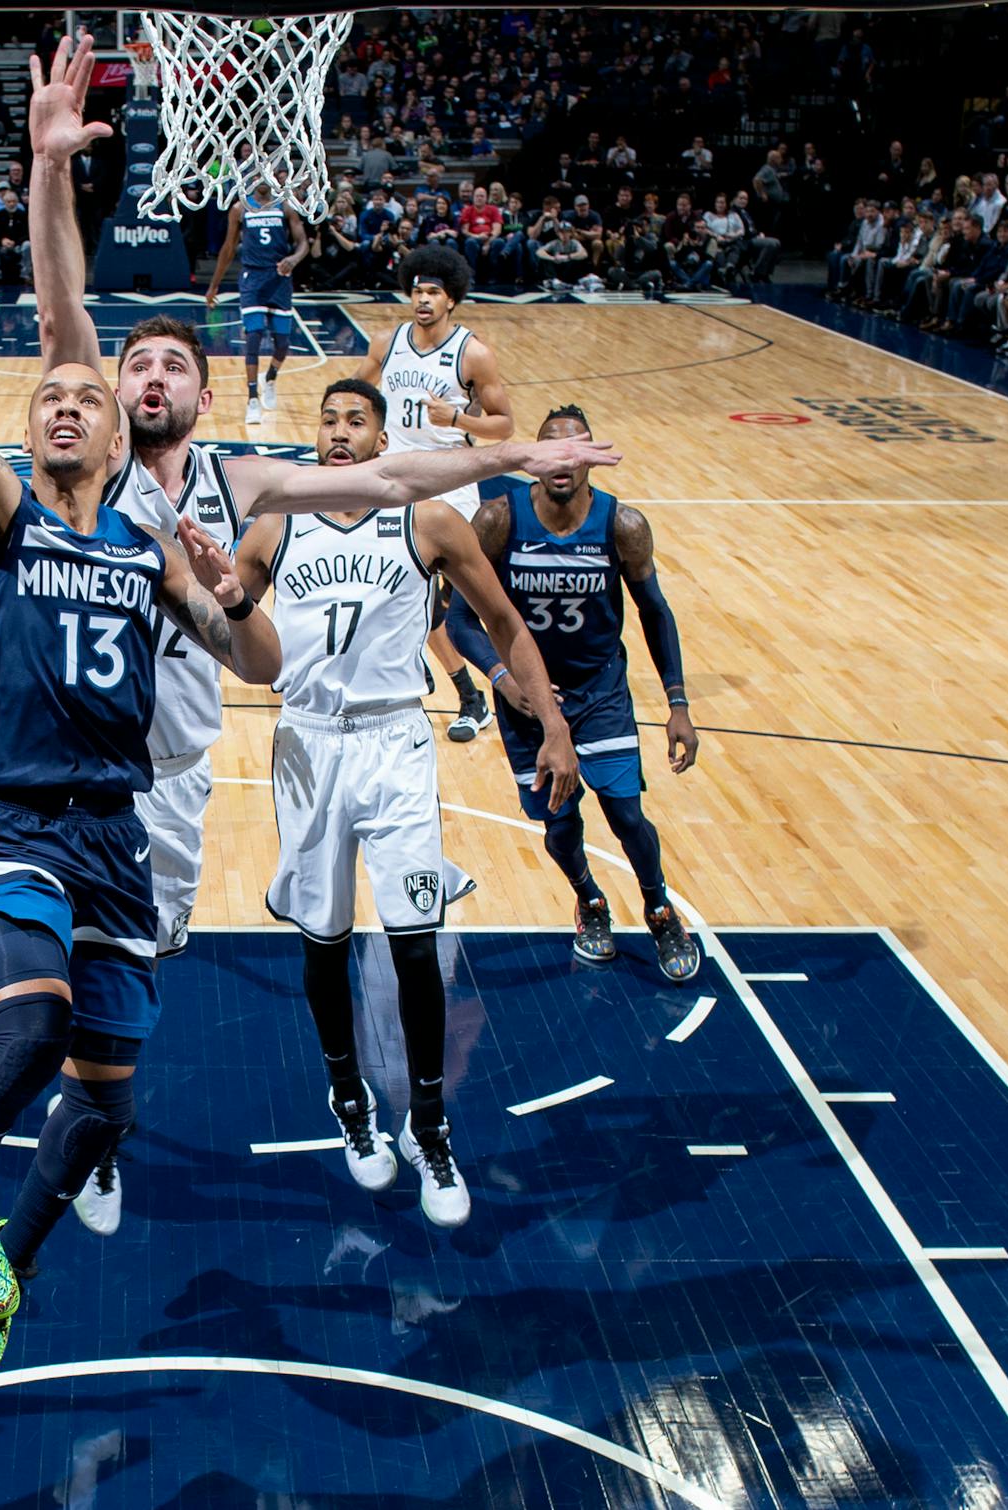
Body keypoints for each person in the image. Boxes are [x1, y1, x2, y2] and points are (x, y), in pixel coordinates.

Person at [0, 73, 610, 1375]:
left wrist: (496, 469)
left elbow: (355, 520)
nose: (141, 373)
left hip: (151, 795)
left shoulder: (227, 490)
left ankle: (36, 1219)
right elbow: (22, 326)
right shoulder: (50, 481)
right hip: (29, 797)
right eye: (128, 360)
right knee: (43, 1018)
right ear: (106, 386)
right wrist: (46, 168)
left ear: (198, 399)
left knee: (108, 1082)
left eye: (170, 363)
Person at [235, 377, 581, 1227]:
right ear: (314, 440)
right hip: (309, 743)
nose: (340, 432)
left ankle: (429, 1125)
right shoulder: (275, 521)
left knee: (414, 942)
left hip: (395, 741)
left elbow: (501, 621)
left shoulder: (426, 520)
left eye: (357, 421)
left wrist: (553, 725)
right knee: (325, 937)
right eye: (328, 421)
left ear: (383, 441)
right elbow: (218, 617)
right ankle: (348, 1099)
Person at [445, 405, 703, 982]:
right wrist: (503, 678)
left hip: (599, 691)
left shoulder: (623, 526)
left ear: (591, 454)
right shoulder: (496, 522)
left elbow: (655, 613)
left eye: (576, 449)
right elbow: (459, 619)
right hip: (527, 704)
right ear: (535, 459)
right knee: (559, 824)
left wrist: (678, 703)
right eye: (551, 450)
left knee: (627, 814)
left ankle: (659, 907)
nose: (563, 461)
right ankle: (589, 901)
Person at [355, 245, 515, 742]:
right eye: (417, 290)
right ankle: (467, 695)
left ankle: (482, 687)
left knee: (446, 604)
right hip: (396, 478)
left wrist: (459, 419)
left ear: (452, 299)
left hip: (451, 484)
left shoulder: (472, 352)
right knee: (403, 591)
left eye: (433, 292)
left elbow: (505, 424)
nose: (422, 299)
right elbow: (357, 393)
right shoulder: (388, 341)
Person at [204, 172, 309, 424]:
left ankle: (270, 378)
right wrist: (214, 285)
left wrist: (294, 259)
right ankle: (252, 398)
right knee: (254, 336)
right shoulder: (240, 208)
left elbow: (303, 243)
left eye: (266, 175)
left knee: (282, 343)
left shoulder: (285, 206)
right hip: (252, 279)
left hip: (279, 279)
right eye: (258, 175)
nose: (262, 180)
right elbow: (228, 249)